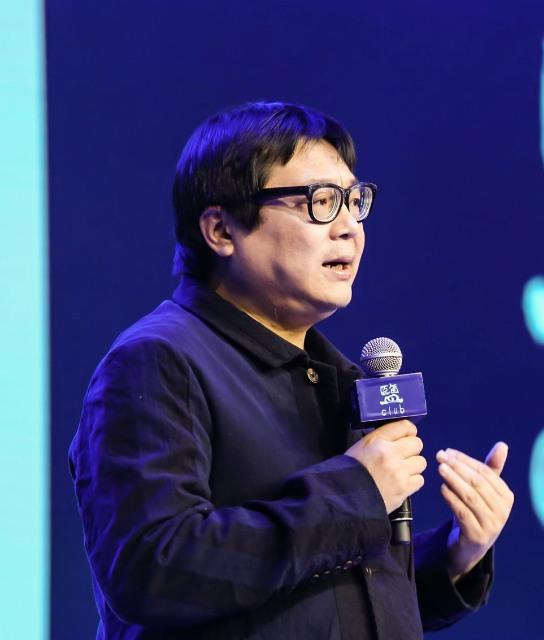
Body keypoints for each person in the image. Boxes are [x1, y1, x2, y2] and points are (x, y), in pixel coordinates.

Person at [69, 101, 514, 639]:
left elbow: (333, 596)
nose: (349, 228)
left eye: (355, 201)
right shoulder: (155, 363)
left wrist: (458, 554)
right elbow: (153, 570)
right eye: (321, 202)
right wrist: (354, 494)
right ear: (221, 230)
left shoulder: (342, 379)